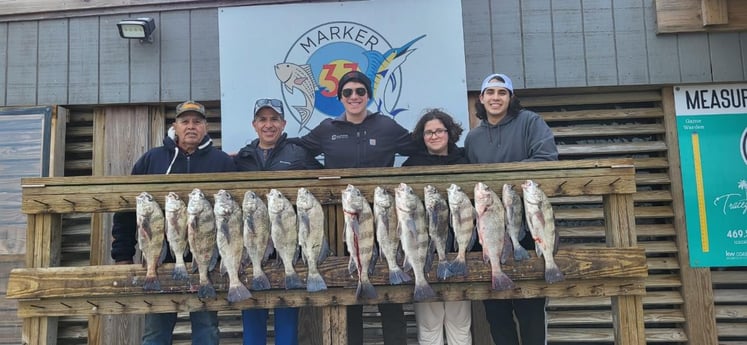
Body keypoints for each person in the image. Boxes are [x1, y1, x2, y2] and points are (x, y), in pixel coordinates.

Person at [295, 70, 416, 344]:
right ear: (340, 98)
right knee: (350, 292)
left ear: (368, 96)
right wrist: (323, 177)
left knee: (389, 290)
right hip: (344, 218)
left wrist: (400, 177)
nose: (354, 97)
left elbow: (418, 146)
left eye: (360, 91)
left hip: (384, 216)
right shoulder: (327, 128)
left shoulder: (386, 125)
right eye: (347, 92)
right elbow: (300, 150)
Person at [111, 100, 236, 345]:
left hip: (205, 262)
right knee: (155, 333)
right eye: (185, 121)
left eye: (197, 122)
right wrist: (122, 254)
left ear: (206, 127)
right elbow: (126, 210)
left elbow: (235, 216)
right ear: (174, 126)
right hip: (159, 262)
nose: (191, 127)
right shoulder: (152, 160)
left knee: (207, 331)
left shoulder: (223, 163)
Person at [464, 73, 558, 345]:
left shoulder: (530, 121)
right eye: (490, 92)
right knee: (496, 310)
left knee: (530, 305)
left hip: (529, 225)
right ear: (481, 98)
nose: (495, 98)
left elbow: (547, 158)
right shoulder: (473, 138)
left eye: (502, 93)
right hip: (489, 229)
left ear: (511, 98)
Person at [234, 98, 321, 345]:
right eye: (263, 119)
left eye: (274, 119)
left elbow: (321, 186)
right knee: (252, 315)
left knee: (287, 318)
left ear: (283, 123)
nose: (268, 125)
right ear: (254, 124)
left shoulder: (299, 153)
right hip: (253, 245)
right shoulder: (243, 157)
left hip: (288, 243)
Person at [402, 109, 472, 345]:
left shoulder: (465, 161)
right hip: (425, 250)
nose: (433, 136)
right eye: (428, 132)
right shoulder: (412, 165)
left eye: (439, 131)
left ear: (449, 132)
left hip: (459, 248)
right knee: (429, 324)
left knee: (459, 322)